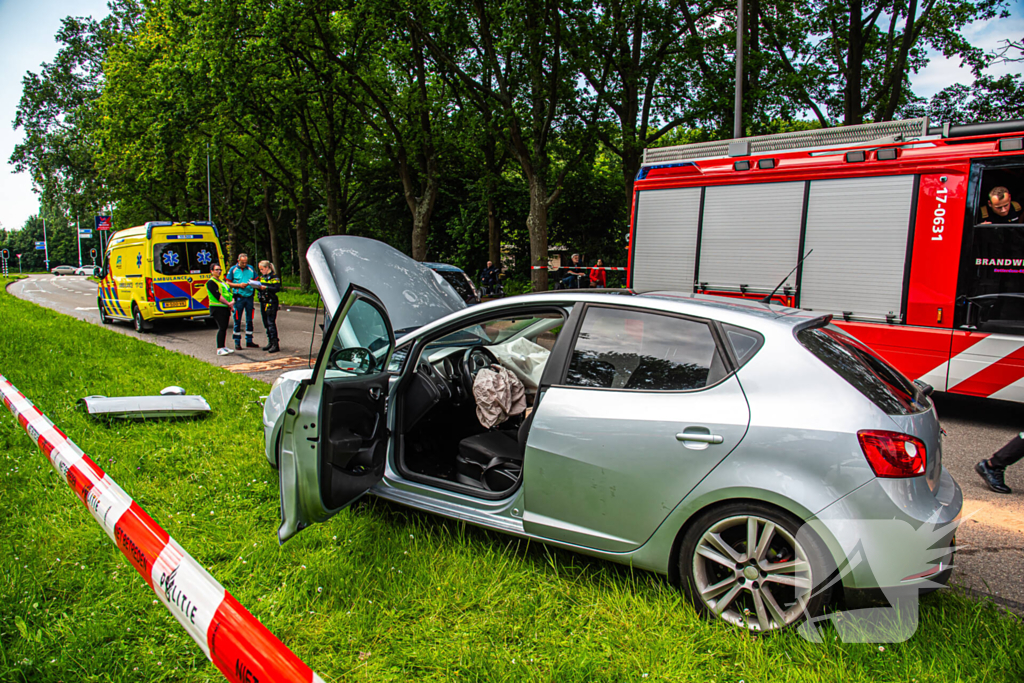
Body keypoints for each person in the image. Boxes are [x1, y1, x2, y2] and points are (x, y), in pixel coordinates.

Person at [226, 253, 258, 350]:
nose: (244, 264)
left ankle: (249, 340)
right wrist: (239, 285)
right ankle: (237, 342)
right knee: (237, 319)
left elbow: (256, 280)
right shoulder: (233, 270)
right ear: (238, 261)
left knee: (249, 319)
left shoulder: (251, 269)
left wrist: (253, 284)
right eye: (242, 262)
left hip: (249, 297)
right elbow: (228, 283)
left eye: (246, 262)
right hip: (239, 297)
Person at [206, 264, 235, 356]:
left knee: (225, 327)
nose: (219, 271)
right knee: (222, 327)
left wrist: (231, 303)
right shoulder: (211, 282)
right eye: (216, 270)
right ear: (211, 271)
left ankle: (223, 346)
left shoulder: (222, 281)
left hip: (225, 307)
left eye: (220, 270)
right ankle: (219, 348)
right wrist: (228, 303)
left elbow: (228, 292)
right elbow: (217, 296)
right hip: (218, 307)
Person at [255, 260, 282, 353]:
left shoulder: (274, 277)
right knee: (266, 323)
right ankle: (270, 341)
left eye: (262, 269)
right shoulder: (263, 277)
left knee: (271, 323)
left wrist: (266, 287)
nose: (261, 271)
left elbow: (277, 288)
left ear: (267, 268)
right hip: (263, 301)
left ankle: (275, 344)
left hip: (271, 302)